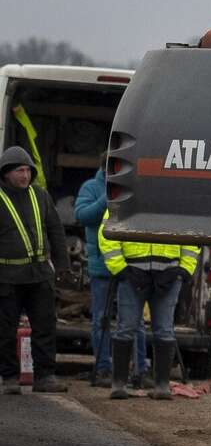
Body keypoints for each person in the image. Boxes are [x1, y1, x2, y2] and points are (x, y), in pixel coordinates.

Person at [99, 217, 199, 400]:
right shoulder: (126, 200)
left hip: (166, 274)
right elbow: (106, 233)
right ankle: (119, 385)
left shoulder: (178, 205)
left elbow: (192, 235)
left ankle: (161, 386)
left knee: (163, 330)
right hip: (133, 273)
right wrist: (120, 269)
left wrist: (184, 270)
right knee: (127, 328)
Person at [0, 145, 67, 393]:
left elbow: (55, 230)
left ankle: (45, 376)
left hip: (39, 276)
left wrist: (62, 265)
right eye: (19, 171)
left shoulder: (40, 195)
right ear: (6, 173)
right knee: (5, 331)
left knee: (45, 328)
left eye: (28, 170)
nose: (25, 175)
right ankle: (9, 377)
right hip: (7, 278)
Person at [74, 165, 120, 387]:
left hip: (128, 266)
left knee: (133, 321)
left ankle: (136, 370)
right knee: (101, 318)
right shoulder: (91, 187)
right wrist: (106, 198)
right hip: (101, 268)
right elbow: (82, 216)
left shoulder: (133, 186)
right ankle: (103, 368)